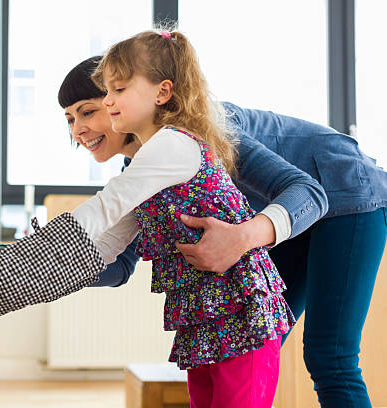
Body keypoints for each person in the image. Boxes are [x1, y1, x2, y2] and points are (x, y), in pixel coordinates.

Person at [59, 54, 387, 407]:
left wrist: (242, 237)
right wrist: (54, 271)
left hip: (344, 193)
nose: (78, 130)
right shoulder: (141, 168)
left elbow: (308, 193)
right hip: (285, 221)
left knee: (330, 357)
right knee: (254, 340)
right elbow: (121, 264)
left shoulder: (203, 127)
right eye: (69, 119)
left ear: (123, 100)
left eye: (87, 111)